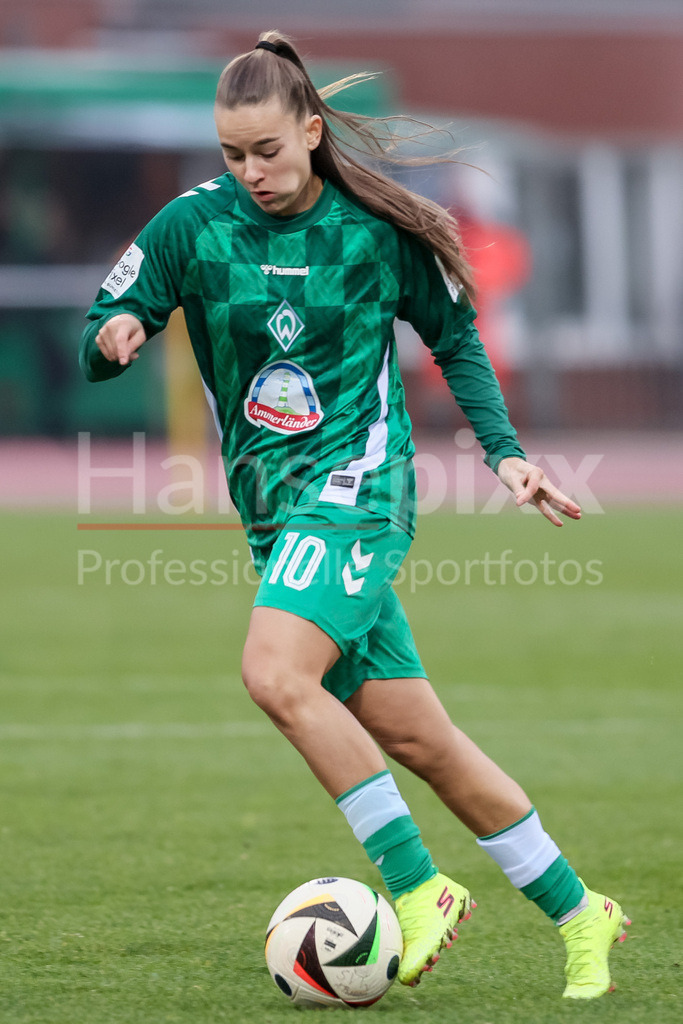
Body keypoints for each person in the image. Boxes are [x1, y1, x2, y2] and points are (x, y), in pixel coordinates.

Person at [79, 31, 629, 1000]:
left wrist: (504, 455)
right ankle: (583, 913)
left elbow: (455, 334)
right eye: (230, 153)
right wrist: (117, 332)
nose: (249, 171)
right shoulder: (190, 227)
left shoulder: (372, 232)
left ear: (310, 128)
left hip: (358, 489)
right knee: (423, 742)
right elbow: (104, 318)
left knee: (271, 670)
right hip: (275, 514)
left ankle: (418, 889)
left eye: (267, 150)